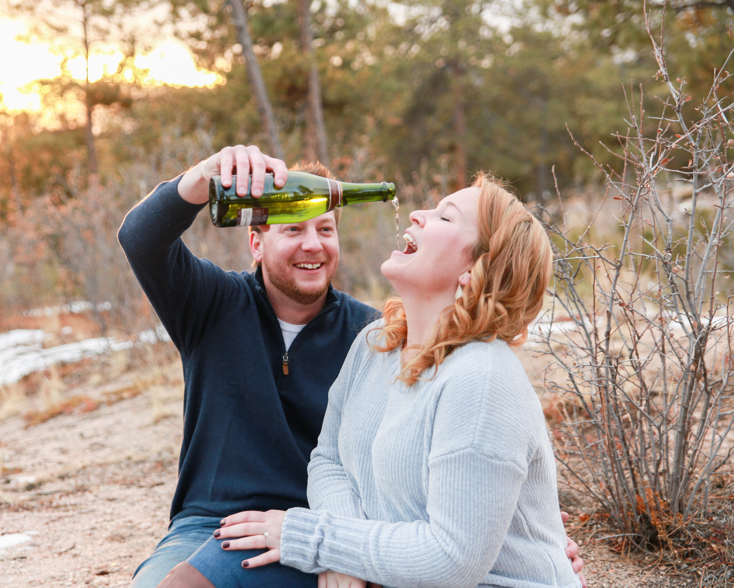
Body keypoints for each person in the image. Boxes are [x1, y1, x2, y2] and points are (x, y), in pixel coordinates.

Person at [118, 146, 586, 588]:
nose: (313, 245)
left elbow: (458, 535)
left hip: (328, 528)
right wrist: (204, 175)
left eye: (324, 229)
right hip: (227, 521)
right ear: (256, 244)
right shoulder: (224, 307)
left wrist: (528, 534)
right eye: (293, 229)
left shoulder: (398, 342)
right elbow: (141, 239)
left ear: (474, 270)